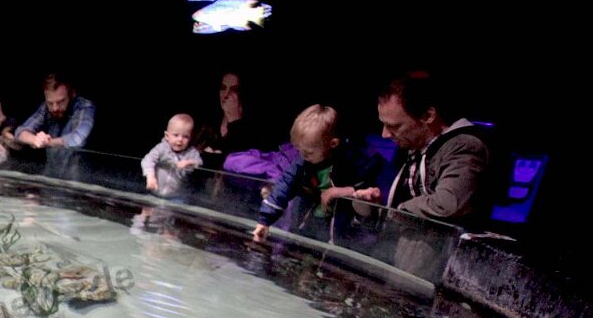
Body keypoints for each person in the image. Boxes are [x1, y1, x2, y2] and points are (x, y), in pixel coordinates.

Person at [251, 105, 382, 243]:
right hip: (308, 225)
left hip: (342, 233)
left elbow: (369, 189)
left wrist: (340, 191)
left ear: (333, 143)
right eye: (299, 150)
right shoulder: (303, 161)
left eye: (308, 152)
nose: (302, 155)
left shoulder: (352, 160)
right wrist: (264, 221)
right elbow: (285, 185)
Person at [376, 73, 492, 225]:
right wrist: (374, 203)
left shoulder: (464, 146)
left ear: (428, 116)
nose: (384, 134)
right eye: (384, 124)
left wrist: (398, 210)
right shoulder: (412, 147)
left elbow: (447, 203)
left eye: (395, 126)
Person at [14, 75, 96, 151]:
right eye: (50, 103)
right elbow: (19, 132)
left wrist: (47, 142)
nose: (55, 108)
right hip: (53, 162)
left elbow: (78, 139)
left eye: (60, 101)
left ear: (72, 94)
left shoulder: (85, 106)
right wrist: (35, 140)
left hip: (81, 162)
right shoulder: (46, 107)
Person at [194, 71, 260, 156]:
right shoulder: (209, 120)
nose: (226, 95)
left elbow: (242, 156)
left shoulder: (254, 127)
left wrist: (234, 121)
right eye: (223, 88)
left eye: (234, 90)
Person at [142, 113, 202, 197]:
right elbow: (148, 160)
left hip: (176, 196)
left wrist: (189, 162)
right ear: (167, 136)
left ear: (190, 138)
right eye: (176, 135)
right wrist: (150, 176)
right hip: (154, 192)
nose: (180, 139)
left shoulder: (191, 152)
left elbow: (199, 163)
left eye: (185, 136)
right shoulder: (161, 148)